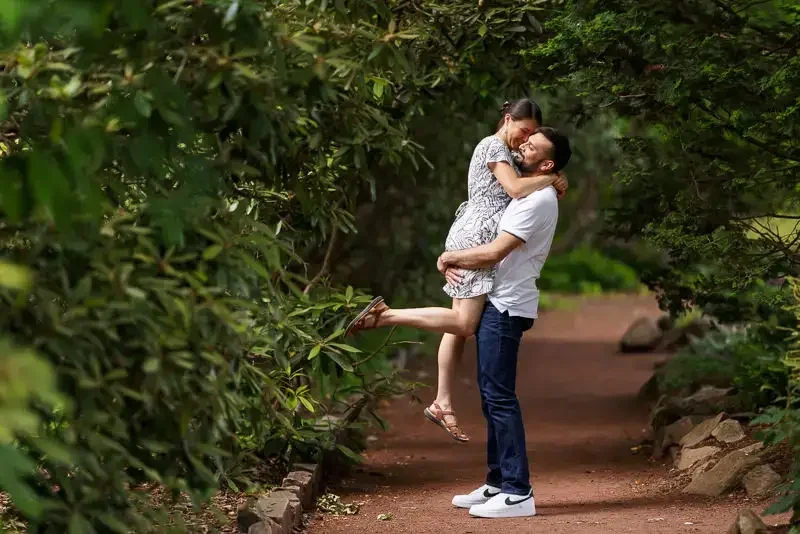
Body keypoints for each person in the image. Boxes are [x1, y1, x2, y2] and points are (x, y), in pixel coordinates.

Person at [345, 100, 567, 442]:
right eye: (524, 132)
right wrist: (551, 178)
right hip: (477, 234)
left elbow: (524, 185)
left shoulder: (509, 153)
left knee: (457, 326)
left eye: (531, 138)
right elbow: (514, 189)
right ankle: (385, 316)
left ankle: (442, 401)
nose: (524, 141)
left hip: (474, 232)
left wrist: (549, 179)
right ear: (507, 120)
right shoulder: (493, 145)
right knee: (465, 323)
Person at [445, 127, 571, 518]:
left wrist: (450, 258)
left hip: (506, 306)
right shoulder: (532, 189)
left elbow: (497, 251)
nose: (522, 147)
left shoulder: (539, 201)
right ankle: (497, 482)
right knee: (489, 395)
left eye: (531, 147)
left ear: (546, 163)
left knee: (499, 397)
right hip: (498, 302)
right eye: (524, 141)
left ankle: (518, 492)